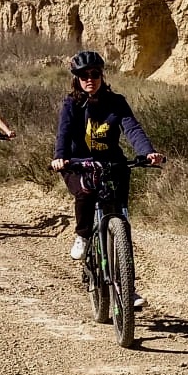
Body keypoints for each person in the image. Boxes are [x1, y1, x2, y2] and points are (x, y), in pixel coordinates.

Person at [49, 50, 165, 308]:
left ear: (102, 75)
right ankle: (83, 235)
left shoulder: (116, 102)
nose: (89, 79)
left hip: (112, 163)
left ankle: (127, 288)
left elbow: (132, 128)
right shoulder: (71, 104)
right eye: (83, 75)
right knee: (86, 192)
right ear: (76, 78)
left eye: (95, 74)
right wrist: (60, 158)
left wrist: (147, 153)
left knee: (121, 222)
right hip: (78, 165)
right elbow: (63, 133)